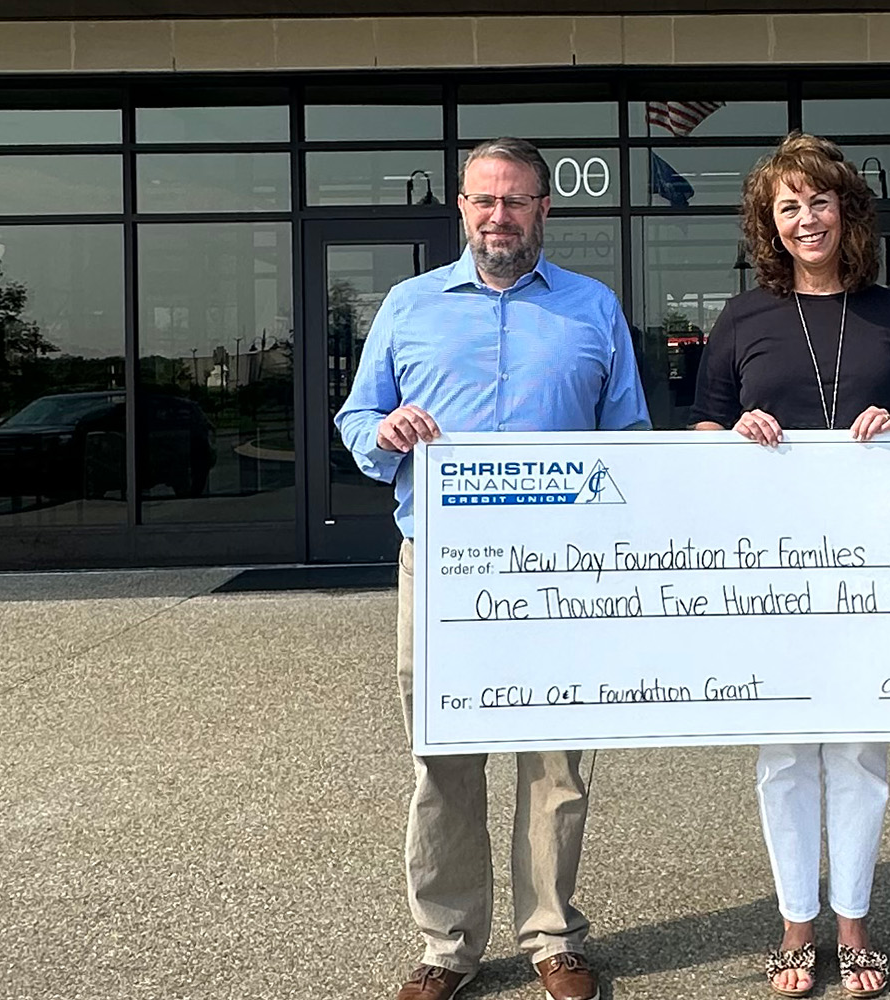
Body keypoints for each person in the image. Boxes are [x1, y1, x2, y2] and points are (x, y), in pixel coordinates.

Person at [335, 136, 649, 1000]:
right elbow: (358, 417)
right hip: (442, 574)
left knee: (556, 762)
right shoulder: (408, 306)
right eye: (483, 200)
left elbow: (628, 441)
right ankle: (447, 947)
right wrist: (383, 433)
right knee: (445, 759)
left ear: (545, 208)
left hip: (562, 574)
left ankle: (553, 935)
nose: (498, 216)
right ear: (462, 209)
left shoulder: (593, 309)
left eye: (515, 200)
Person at [688, 131, 890, 999]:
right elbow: (701, 433)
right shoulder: (742, 317)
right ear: (770, 220)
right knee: (787, 754)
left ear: (848, 211)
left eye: (820, 202)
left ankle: (854, 923)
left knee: (861, 754)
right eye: (788, 206)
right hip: (772, 574)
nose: (806, 219)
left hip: (874, 569)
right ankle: (797, 923)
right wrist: (734, 436)